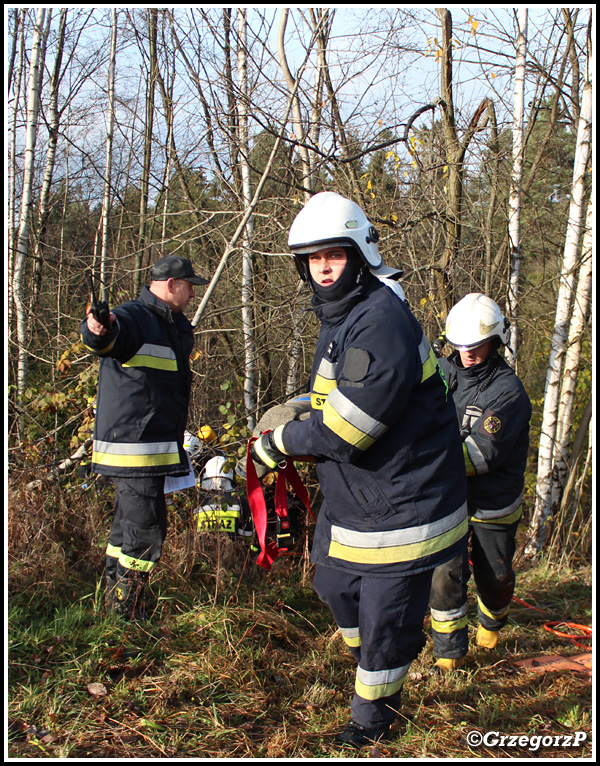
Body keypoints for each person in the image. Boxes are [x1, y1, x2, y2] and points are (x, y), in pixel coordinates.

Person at [249, 191, 468, 747]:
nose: (323, 267)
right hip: (356, 499)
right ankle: (379, 656)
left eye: (334, 255)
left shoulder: (380, 323)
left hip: (405, 504)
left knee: (382, 625)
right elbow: (333, 397)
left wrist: (278, 444)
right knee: (333, 584)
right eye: (313, 258)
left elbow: (349, 429)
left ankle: (374, 723)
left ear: (359, 254)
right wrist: (298, 409)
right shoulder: (342, 314)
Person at [81, 255, 209, 621]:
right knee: (145, 531)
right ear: (171, 285)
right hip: (135, 451)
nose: (191, 295)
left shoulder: (168, 324)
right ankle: (128, 615)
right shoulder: (136, 316)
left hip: (147, 450)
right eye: (189, 287)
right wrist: (98, 327)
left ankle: (115, 605)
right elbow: (105, 336)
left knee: (126, 530)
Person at [429, 293, 531, 671]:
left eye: (476, 345)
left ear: (496, 341)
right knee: (445, 571)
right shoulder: (438, 371)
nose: (468, 353)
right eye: (460, 345)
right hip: (448, 494)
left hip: (494, 500)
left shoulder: (509, 392)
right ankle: (449, 654)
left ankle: (492, 620)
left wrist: (420, 462)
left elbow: (480, 456)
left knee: (496, 573)